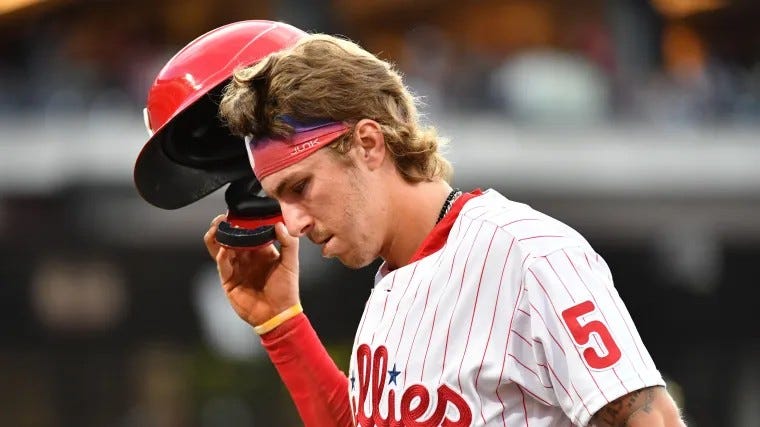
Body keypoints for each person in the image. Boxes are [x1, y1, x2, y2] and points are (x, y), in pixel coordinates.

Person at [196, 31, 685, 426]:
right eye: (279, 199)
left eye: (300, 187)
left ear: (368, 144)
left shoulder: (528, 252)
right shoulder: (389, 288)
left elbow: (652, 420)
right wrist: (281, 324)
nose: (293, 223)